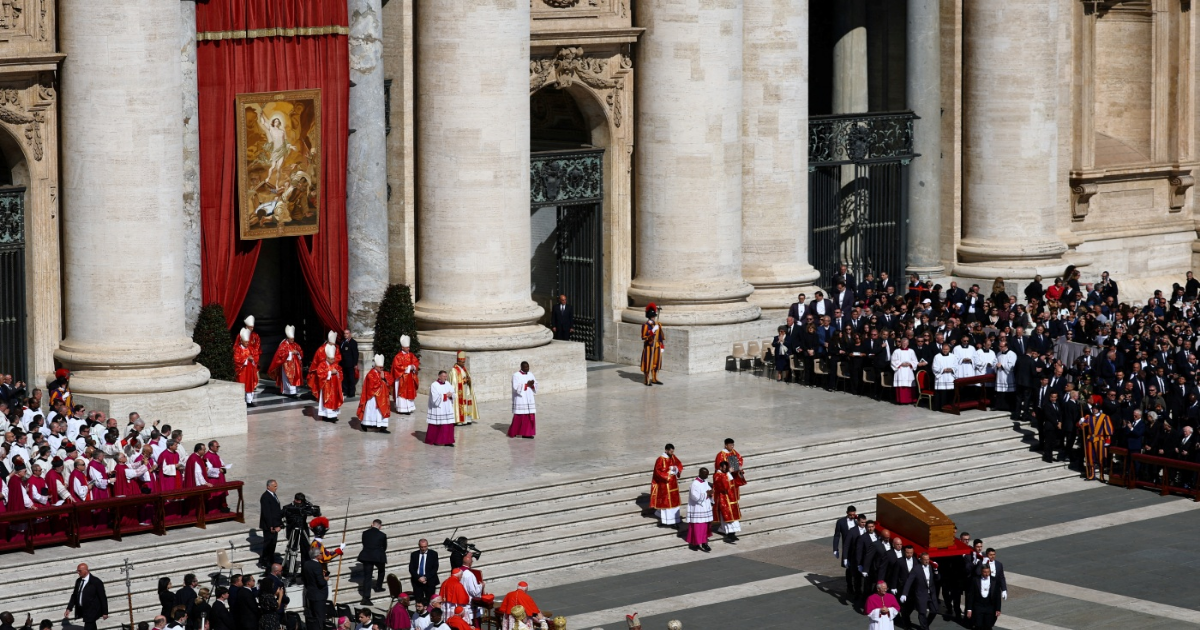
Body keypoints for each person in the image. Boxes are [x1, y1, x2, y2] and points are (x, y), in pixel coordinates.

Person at [900, 553, 939, 630]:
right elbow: (909, 581)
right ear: (921, 560)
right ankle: (925, 628)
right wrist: (904, 594)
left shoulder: (931, 567)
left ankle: (925, 624)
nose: (927, 561)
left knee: (934, 610)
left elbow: (938, 579)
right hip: (921, 594)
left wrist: (936, 570)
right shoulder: (916, 569)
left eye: (928, 559)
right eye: (925, 560)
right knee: (922, 612)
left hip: (931, 594)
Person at [64, 563, 108, 630]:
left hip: (92, 610)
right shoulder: (78, 581)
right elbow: (74, 595)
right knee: (92, 627)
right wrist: (69, 608)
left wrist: (105, 612)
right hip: (83, 610)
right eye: (77, 571)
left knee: (88, 626)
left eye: (80, 571)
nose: (78, 573)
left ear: (86, 570)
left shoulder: (96, 582)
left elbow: (103, 597)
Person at [649, 444, 683, 528]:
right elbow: (657, 472)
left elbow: (679, 464)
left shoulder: (673, 457)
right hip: (665, 485)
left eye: (673, 451)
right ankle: (667, 521)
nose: (672, 453)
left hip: (673, 484)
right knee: (666, 503)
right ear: (666, 450)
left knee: (674, 503)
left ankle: (675, 519)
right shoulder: (660, 459)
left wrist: (676, 469)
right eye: (671, 451)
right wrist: (668, 473)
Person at [356, 355, 392, 433]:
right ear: (375, 366)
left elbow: (390, 381)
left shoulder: (383, 373)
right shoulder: (371, 374)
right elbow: (372, 386)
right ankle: (366, 424)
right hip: (373, 397)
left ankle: (383, 427)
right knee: (372, 411)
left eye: (382, 367)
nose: (381, 369)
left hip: (383, 397)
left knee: (381, 412)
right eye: (380, 367)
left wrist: (384, 378)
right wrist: (381, 379)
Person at [357, 519, 388, 605]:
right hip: (378, 556)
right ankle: (378, 586)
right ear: (380, 526)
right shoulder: (382, 535)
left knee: (368, 577)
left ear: (372, 524)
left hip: (366, 556)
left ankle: (366, 598)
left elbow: (364, 543)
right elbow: (384, 547)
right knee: (381, 570)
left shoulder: (365, 533)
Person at [268, 325, 304, 398]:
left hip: (295, 365)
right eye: (291, 339)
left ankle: (294, 391)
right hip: (286, 365)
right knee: (288, 378)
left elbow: (300, 351)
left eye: (293, 339)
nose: (292, 340)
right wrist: (291, 353)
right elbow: (280, 354)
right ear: (288, 338)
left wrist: (298, 353)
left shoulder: (295, 344)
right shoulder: (283, 345)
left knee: (295, 377)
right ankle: (288, 392)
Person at [311, 344, 345, 422]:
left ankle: (333, 415)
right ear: (327, 358)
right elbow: (320, 374)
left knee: (334, 400)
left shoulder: (335, 364)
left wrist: (337, 372)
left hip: (335, 386)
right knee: (327, 400)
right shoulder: (322, 365)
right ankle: (326, 415)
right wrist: (330, 373)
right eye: (331, 359)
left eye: (333, 359)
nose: (333, 360)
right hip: (326, 386)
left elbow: (340, 372)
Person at [965, 565, 1002, 629]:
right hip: (978, 606)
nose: (986, 574)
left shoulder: (994, 580)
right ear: (981, 571)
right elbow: (971, 595)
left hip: (990, 606)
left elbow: (997, 596)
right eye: (985, 572)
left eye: (988, 572)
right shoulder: (975, 580)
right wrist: (969, 609)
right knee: (978, 625)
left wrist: (998, 609)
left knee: (988, 625)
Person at [685, 468, 713, 552]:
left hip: (705, 507)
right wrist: (707, 494)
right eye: (705, 474)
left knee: (705, 527)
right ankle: (695, 543)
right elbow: (694, 496)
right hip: (698, 509)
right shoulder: (695, 484)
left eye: (707, 474)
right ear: (700, 473)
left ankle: (704, 543)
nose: (707, 476)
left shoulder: (705, 482)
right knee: (698, 527)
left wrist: (711, 493)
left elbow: (709, 491)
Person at [712, 460, 741, 543]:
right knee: (727, 517)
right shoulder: (717, 475)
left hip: (731, 498)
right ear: (720, 467)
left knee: (733, 516)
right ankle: (729, 534)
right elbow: (724, 486)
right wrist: (728, 473)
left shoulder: (725, 474)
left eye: (727, 468)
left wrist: (738, 472)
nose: (726, 470)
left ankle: (731, 533)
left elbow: (733, 482)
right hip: (723, 498)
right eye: (724, 468)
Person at [425, 371, 456, 447]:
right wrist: (445, 395)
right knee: (438, 424)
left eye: (446, 376)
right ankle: (436, 440)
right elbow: (435, 398)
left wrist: (451, 395)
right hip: (439, 408)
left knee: (448, 424)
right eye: (443, 376)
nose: (445, 378)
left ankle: (448, 441)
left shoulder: (448, 383)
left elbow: (453, 393)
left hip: (447, 407)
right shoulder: (434, 385)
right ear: (439, 376)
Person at [390, 336, 420, 415]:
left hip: (410, 377)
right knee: (402, 393)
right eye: (407, 347)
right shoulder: (398, 356)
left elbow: (416, 362)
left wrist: (414, 366)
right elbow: (396, 367)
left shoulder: (411, 355)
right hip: (401, 378)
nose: (408, 349)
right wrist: (408, 368)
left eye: (409, 347)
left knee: (409, 392)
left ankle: (409, 408)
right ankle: (401, 409)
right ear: (402, 347)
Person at [301, 548, 328, 630]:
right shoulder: (317, 565)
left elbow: (304, 578)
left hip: (311, 593)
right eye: (321, 553)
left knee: (313, 616)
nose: (322, 554)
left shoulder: (306, 564)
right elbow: (321, 582)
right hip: (319, 595)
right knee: (320, 617)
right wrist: (325, 579)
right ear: (317, 555)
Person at [507, 362, 537, 439]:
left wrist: (533, 385)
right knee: (519, 416)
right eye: (525, 367)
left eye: (528, 367)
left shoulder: (530, 374)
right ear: (521, 367)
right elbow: (515, 387)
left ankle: (527, 433)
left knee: (529, 416)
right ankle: (515, 432)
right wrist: (526, 385)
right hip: (521, 399)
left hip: (529, 398)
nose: (527, 368)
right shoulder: (516, 375)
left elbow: (535, 384)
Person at [259, 479, 283, 569]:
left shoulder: (273, 495)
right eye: (274, 486)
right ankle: (265, 561)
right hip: (269, 526)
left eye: (276, 486)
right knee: (268, 544)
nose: (276, 488)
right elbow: (267, 513)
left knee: (273, 544)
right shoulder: (265, 497)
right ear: (268, 486)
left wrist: (279, 524)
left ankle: (271, 560)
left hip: (275, 524)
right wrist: (271, 526)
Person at [449, 352, 478, 426]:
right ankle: (459, 420)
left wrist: (468, 380)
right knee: (460, 404)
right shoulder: (454, 370)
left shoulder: (464, 369)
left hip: (466, 389)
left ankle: (467, 419)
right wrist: (463, 381)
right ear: (458, 361)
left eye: (464, 362)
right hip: (459, 391)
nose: (463, 363)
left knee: (467, 403)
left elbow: (468, 377)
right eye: (462, 362)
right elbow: (454, 383)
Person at [408, 539, 440, 605]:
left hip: (429, 581)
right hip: (417, 582)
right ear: (419, 546)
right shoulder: (414, 554)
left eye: (425, 547)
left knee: (430, 600)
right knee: (419, 601)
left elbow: (435, 568)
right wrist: (418, 578)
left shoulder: (433, 554)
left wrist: (425, 577)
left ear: (427, 546)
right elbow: (411, 568)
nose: (423, 548)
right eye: (421, 547)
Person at [640, 304, 665, 386]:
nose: (654, 317)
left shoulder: (658, 324)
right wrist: (652, 331)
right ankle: (646, 380)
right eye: (652, 316)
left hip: (657, 346)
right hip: (649, 347)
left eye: (654, 316)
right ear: (649, 316)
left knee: (656, 363)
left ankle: (654, 378)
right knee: (648, 363)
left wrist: (662, 346)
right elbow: (644, 336)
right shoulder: (646, 325)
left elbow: (660, 336)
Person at [234, 328, 259, 406]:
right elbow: (236, 359)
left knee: (250, 385)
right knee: (242, 384)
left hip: (250, 370)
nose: (247, 343)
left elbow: (256, 355)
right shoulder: (238, 349)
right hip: (242, 371)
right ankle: (241, 400)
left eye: (248, 342)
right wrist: (246, 359)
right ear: (241, 341)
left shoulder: (250, 348)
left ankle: (249, 401)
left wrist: (253, 359)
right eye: (245, 342)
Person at [890, 338, 918, 404]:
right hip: (900, 370)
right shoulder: (896, 351)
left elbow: (915, 361)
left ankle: (910, 400)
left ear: (908, 343)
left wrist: (910, 364)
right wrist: (901, 364)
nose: (904, 344)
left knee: (909, 385)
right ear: (901, 343)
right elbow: (893, 361)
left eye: (906, 343)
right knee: (901, 385)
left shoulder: (911, 351)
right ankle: (901, 400)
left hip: (908, 370)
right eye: (903, 343)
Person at [932, 344, 957, 412]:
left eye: (947, 349)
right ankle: (941, 407)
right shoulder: (937, 356)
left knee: (950, 392)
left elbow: (956, 366)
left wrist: (952, 369)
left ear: (949, 349)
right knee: (942, 393)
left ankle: (950, 406)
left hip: (950, 377)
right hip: (941, 378)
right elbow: (934, 367)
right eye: (944, 349)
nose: (945, 350)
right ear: (941, 349)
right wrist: (943, 370)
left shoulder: (953, 356)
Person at [340, 329, 360, 398]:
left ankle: (351, 393)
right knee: (344, 378)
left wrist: (355, 364)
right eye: (344, 333)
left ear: (350, 334)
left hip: (350, 364)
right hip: (343, 363)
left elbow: (355, 354)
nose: (345, 335)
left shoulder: (353, 342)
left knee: (351, 378)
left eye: (347, 333)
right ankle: (345, 391)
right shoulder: (342, 342)